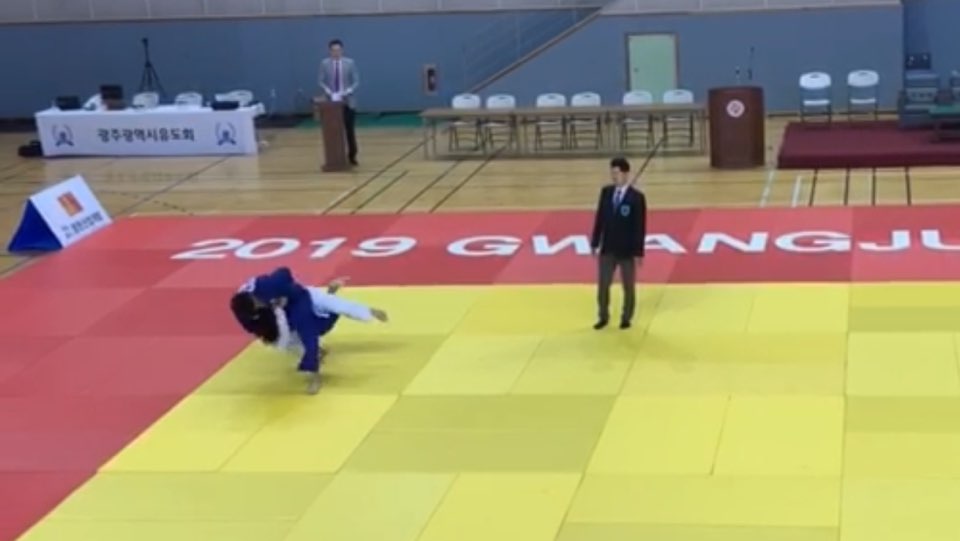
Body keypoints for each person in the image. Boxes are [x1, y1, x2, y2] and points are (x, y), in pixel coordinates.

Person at [231, 276, 388, 394]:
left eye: (258, 303)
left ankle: (366, 310)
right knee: (283, 343)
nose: (260, 304)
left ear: (253, 297)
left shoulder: (266, 285)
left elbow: (285, 273)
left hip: (303, 295)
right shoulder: (246, 314)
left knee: (332, 307)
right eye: (258, 307)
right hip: (285, 313)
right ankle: (314, 363)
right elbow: (260, 331)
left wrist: (284, 296)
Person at [590, 156, 647, 330]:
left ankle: (626, 317)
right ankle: (603, 316)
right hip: (607, 247)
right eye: (612, 173)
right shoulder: (606, 193)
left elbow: (639, 226)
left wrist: (638, 252)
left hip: (626, 251)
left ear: (626, 174)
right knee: (603, 285)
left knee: (628, 286)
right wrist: (595, 241)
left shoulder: (636, 198)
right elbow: (600, 218)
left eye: (617, 173)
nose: (614, 176)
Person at [319, 38, 360, 166]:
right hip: (331, 102)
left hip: (347, 101)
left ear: (342, 50)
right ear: (330, 51)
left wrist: (348, 91)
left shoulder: (350, 63)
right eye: (333, 50)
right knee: (333, 130)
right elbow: (320, 81)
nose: (336, 53)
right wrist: (328, 91)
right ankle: (335, 156)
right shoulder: (324, 64)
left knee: (349, 129)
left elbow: (356, 81)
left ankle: (352, 155)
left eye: (338, 50)